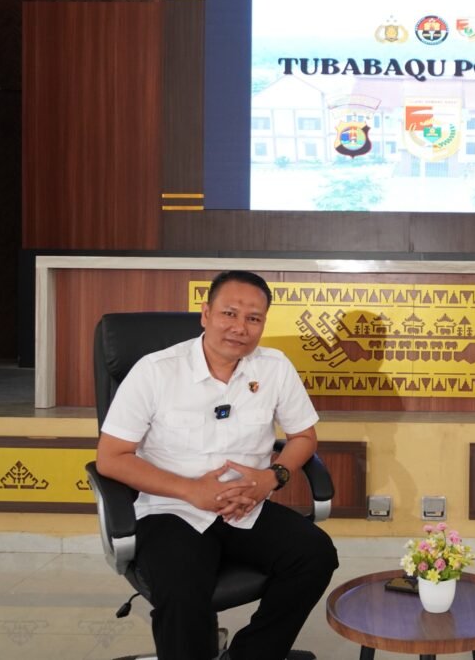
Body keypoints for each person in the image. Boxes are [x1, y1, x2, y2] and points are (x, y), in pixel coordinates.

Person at [95, 270, 338, 660]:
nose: (240, 327)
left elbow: (304, 437)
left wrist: (271, 478)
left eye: (253, 318)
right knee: (182, 588)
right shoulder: (155, 371)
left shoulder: (273, 367)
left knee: (315, 555)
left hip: (246, 507)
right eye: (229, 313)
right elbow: (110, 457)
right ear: (206, 314)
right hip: (172, 510)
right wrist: (192, 490)